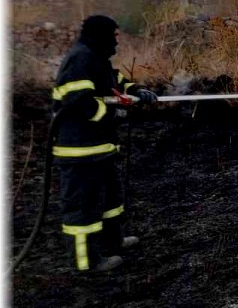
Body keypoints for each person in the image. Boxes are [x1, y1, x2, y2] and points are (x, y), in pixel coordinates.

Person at [51, 15, 158, 273]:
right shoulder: (79, 59)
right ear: (102, 35)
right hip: (80, 151)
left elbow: (114, 83)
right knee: (82, 208)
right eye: (115, 35)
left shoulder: (96, 58)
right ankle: (86, 262)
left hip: (100, 148)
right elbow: (79, 100)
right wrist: (114, 113)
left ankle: (113, 242)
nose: (117, 41)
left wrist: (137, 91)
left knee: (111, 199)